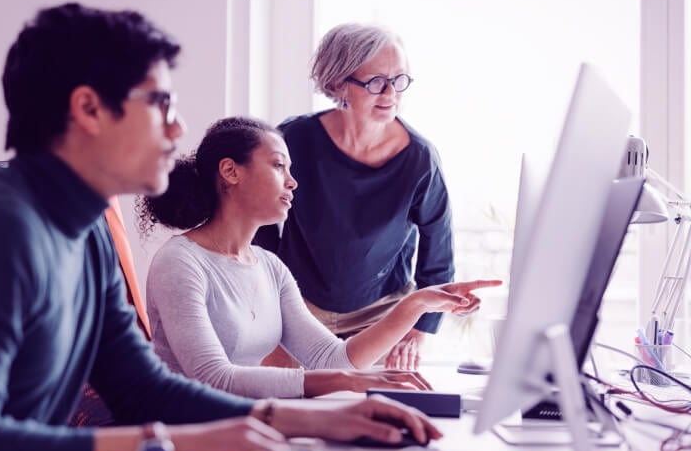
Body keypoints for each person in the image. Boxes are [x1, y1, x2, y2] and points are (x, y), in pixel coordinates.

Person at [0, 3, 444, 451]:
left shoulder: (84, 234)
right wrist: (163, 446)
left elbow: (142, 387)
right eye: (160, 103)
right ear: (88, 109)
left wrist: (310, 419)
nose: (178, 127)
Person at [136, 116, 500, 398]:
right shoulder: (180, 262)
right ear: (231, 172)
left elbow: (333, 359)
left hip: (246, 425)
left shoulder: (270, 268)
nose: (292, 182)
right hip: (184, 438)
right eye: (279, 166)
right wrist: (342, 382)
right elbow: (214, 379)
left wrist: (417, 304)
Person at [255, 23, 458, 371]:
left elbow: (437, 251)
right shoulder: (294, 138)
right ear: (337, 84)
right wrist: (271, 299)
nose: (391, 93)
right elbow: (259, 222)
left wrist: (418, 331)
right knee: (287, 410)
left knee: (372, 416)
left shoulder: (420, 158)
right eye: (376, 82)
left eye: (400, 80)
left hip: (381, 316)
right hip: (298, 310)